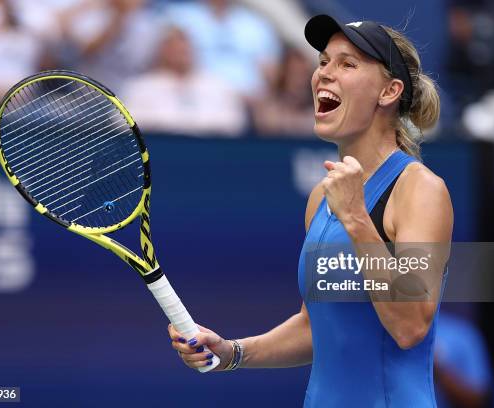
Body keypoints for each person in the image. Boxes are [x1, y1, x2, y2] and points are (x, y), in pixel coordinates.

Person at [168, 14, 453, 407]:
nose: (324, 74)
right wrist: (232, 352)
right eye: (323, 62)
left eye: (347, 64)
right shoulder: (322, 197)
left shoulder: (421, 189)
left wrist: (356, 219)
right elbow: (315, 326)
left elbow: (410, 325)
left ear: (389, 91)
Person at [118, 25, 246, 136]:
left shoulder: (218, 86)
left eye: (184, 47)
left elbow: (235, 122)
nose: (180, 52)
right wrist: (172, 124)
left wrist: (192, 125)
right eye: (173, 47)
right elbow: (120, 122)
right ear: (161, 50)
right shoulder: (140, 87)